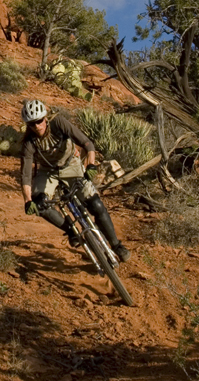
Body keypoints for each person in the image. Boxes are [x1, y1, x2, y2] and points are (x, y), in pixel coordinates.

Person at [20, 99, 131, 263]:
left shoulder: (58, 123)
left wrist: (91, 165)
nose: (36, 126)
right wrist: (28, 200)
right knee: (40, 204)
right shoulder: (29, 143)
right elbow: (26, 175)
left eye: (39, 121)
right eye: (31, 124)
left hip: (70, 164)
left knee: (96, 204)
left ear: (45, 118)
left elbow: (87, 143)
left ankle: (116, 245)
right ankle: (71, 230)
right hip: (48, 172)